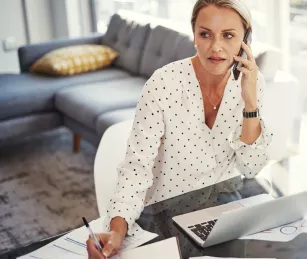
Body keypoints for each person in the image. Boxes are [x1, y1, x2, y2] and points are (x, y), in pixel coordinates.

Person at [87, 0, 272, 258]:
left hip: (224, 212)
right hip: (166, 217)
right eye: (205, 34)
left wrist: (249, 102)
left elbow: (251, 167)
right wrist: (117, 231)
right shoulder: (163, 84)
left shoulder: (251, 82)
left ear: (246, 41)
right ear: (194, 35)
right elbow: (136, 170)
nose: (216, 47)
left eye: (228, 35)